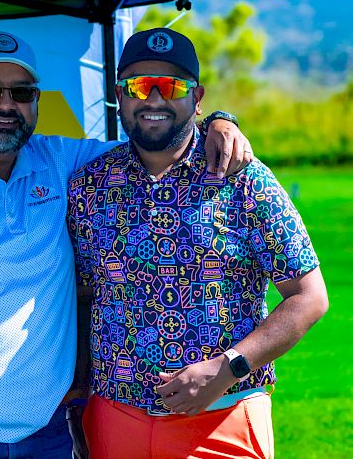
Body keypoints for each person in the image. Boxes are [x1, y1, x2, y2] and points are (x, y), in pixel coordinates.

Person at [0, 30, 249, 458]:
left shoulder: (57, 161)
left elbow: (156, 136)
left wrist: (218, 121)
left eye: (21, 93)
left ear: (36, 102)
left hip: (47, 434)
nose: (6, 105)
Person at [67, 27, 328, 459]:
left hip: (223, 417)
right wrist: (79, 399)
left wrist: (229, 368)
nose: (153, 99)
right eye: (138, 86)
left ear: (197, 96)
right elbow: (83, 297)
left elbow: (309, 296)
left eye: (170, 86)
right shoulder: (90, 185)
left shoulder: (243, 179)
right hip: (114, 418)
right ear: (118, 95)